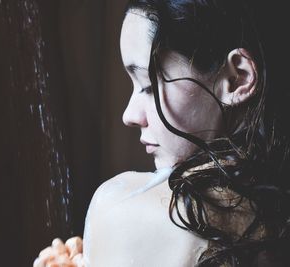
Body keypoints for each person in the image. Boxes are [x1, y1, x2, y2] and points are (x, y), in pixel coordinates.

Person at [34, 0, 290, 266]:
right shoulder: (276, 216)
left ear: (238, 78)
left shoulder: (122, 209)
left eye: (149, 85)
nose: (129, 115)